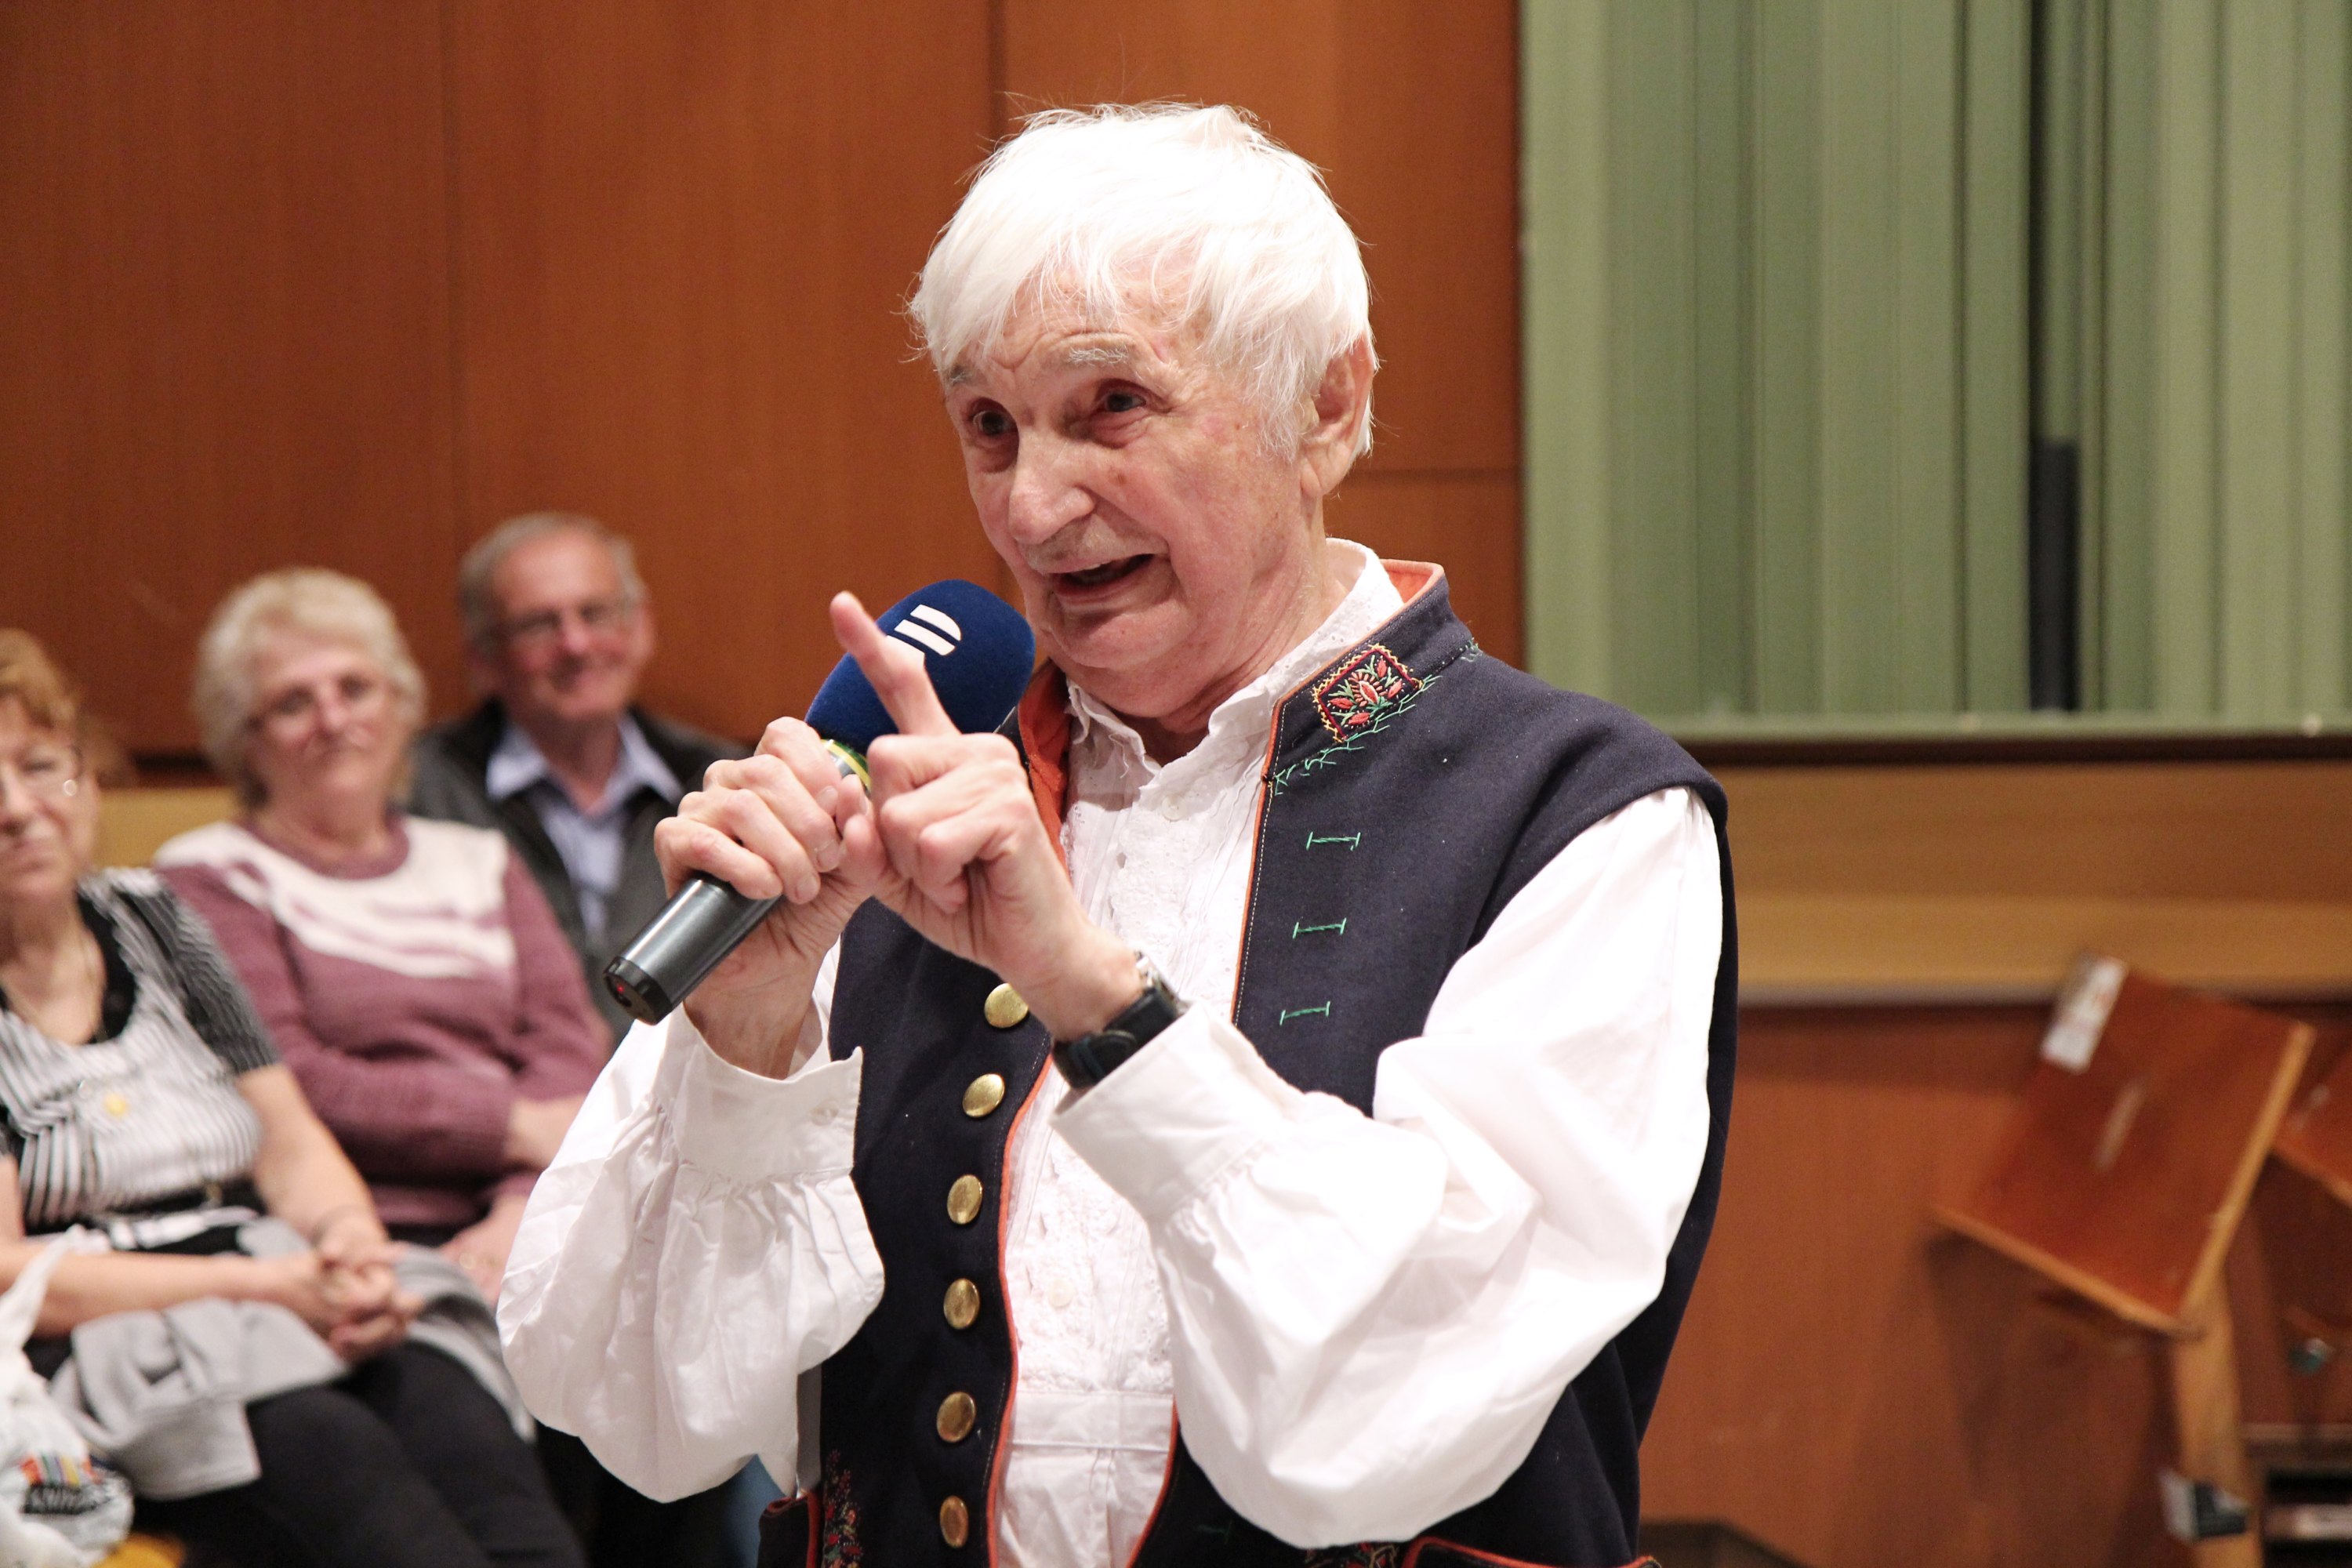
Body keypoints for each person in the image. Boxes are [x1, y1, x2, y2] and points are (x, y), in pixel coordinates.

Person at [502, 104, 1736, 1567]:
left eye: (1114, 406)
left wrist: (1097, 1000)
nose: (1031, 509)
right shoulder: (891, 795)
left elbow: (1385, 1411)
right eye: (989, 424)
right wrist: (747, 1041)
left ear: (1325, 406)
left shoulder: (1578, 812)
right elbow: (636, 1412)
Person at [0, 629, 583, 1568]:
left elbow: (289, 1138)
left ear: (89, 776)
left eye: (40, 767)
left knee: (479, 1450)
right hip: (109, 1337)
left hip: (272, 1286)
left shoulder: (154, 918)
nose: (18, 809)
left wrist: (351, 1243)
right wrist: (269, 1284)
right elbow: (11, 1272)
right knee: (364, 1485)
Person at [154, 569, 604, 1302]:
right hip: (336, 1236)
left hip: (530, 1216)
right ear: (245, 740)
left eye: (356, 689)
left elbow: (568, 1051)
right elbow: (290, 1076)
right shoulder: (208, 875)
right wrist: (508, 1127)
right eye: (293, 703)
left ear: (400, 708)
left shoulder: (479, 858)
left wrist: (520, 1212)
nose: (334, 720)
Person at [407, 515, 738, 1044]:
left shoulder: (722, 783)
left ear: (640, 627)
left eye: (596, 614)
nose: (577, 645)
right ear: (484, 657)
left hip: (688, 1082)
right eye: (539, 625)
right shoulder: (418, 791)